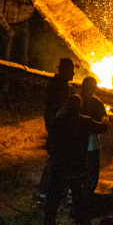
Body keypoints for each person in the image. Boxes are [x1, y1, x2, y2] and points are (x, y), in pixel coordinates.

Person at [43, 94, 110, 225]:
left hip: (59, 170)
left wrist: (58, 156)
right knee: (80, 204)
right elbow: (104, 127)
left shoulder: (58, 122)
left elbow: (48, 146)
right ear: (80, 108)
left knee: (52, 205)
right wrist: (105, 117)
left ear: (67, 106)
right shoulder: (84, 121)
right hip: (77, 171)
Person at [39, 58, 76, 198]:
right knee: (57, 159)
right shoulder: (62, 87)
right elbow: (61, 110)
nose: (73, 73)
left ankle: (54, 189)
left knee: (59, 158)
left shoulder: (57, 83)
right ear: (63, 70)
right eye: (71, 70)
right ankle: (46, 190)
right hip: (58, 129)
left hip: (55, 127)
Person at [80, 77, 107, 200]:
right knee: (91, 169)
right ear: (93, 88)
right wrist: (105, 124)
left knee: (79, 169)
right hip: (91, 143)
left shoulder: (75, 99)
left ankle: (79, 195)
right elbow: (104, 119)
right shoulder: (95, 102)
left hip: (76, 143)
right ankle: (87, 196)